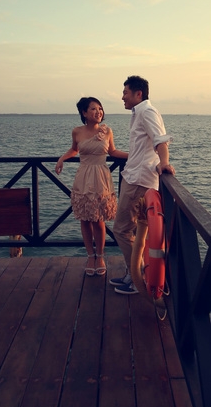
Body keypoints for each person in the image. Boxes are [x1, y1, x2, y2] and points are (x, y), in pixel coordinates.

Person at [110, 76, 174, 295]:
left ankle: (137, 278)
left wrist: (164, 163)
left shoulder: (147, 111)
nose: (122, 97)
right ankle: (136, 275)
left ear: (138, 94)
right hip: (133, 176)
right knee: (137, 232)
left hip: (139, 180)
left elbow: (160, 141)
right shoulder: (139, 112)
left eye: (125, 92)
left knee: (120, 230)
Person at [55, 97, 128, 276]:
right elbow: (75, 150)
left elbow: (113, 152)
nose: (98, 112)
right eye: (94, 109)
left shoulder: (107, 131)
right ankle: (90, 255)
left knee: (99, 219)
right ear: (84, 113)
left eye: (100, 109)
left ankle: (101, 255)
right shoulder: (77, 132)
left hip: (101, 176)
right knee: (85, 219)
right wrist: (62, 158)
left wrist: (134, 155)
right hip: (83, 176)